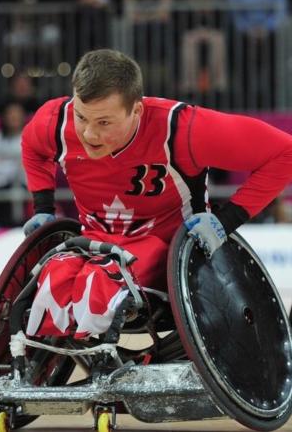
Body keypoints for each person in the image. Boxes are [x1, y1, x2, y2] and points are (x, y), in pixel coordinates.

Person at [21, 49, 292, 340]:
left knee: (99, 284)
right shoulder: (54, 121)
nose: (89, 134)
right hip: (94, 243)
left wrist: (225, 220)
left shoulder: (182, 129)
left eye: (104, 123)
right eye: (81, 117)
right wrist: (43, 206)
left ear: (136, 111)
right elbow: (31, 147)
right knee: (53, 281)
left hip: (167, 249)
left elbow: (285, 153)